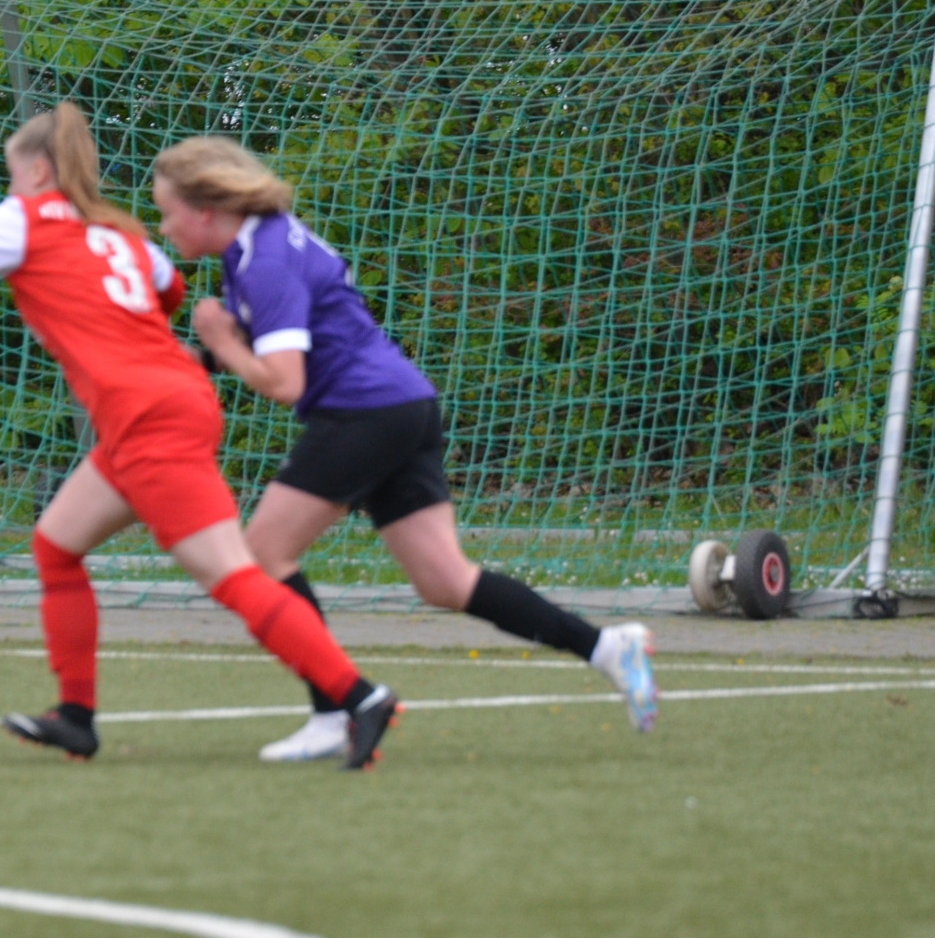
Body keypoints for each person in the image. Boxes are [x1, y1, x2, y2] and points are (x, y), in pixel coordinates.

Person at [0, 104, 401, 769]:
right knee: (57, 545)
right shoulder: (121, 233)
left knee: (232, 574)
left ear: (38, 171)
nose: (12, 187)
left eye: (13, 174)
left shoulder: (23, 217)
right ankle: (76, 718)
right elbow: (169, 291)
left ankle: (360, 696)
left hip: (146, 417)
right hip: (167, 402)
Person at [150, 136, 657, 762]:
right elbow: (264, 341)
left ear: (205, 209)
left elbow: (284, 382)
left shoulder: (264, 260)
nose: (163, 226)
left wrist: (221, 343)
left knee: (264, 555)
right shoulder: (265, 241)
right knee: (446, 581)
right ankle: (607, 647)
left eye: (168, 211)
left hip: (363, 413)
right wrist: (193, 355)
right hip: (404, 405)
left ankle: (335, 712)